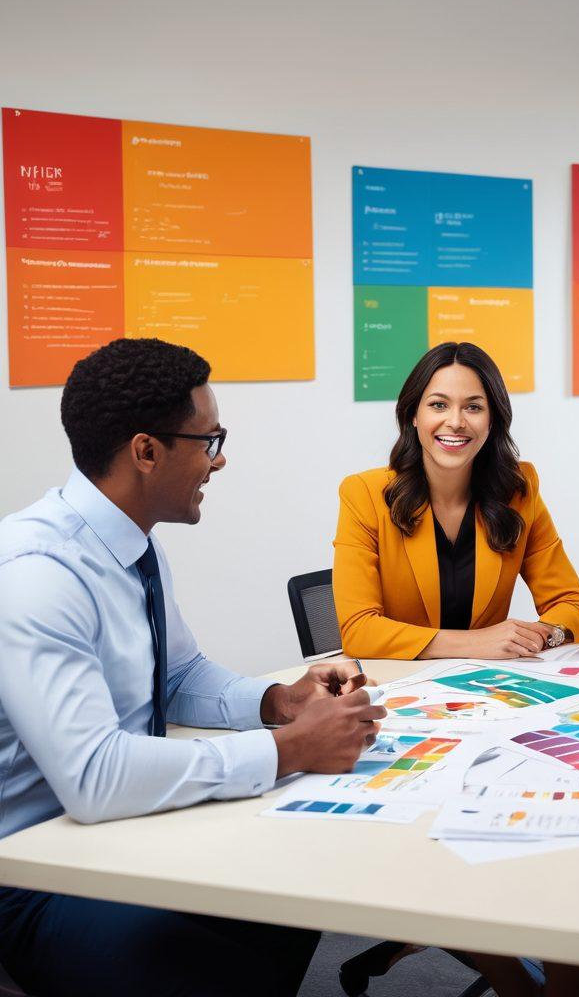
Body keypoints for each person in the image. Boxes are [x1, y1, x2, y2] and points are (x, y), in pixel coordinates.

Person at [0, 338, 386, 997]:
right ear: (147, 451)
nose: (220, 458)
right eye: (208, 440)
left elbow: (177, 677)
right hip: (39, 874)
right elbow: (94, 777)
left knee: (297, 884)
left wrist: (277, 701)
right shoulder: (40, 576)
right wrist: (287, 749)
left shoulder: (130, 544)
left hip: (122, 834)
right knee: (208, 959)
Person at [333, 341, 579, 660]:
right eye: (439, 405)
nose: (455, 421)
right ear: (414, 414)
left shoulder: (518, 490)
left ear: (492, 419)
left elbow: (571, 604)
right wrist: (476, 643)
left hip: (485, 690)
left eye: (473, 407)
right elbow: (359, 630)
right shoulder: (365, 494)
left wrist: (544, 636)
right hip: (398, 691)